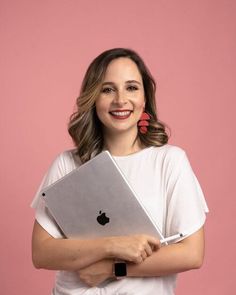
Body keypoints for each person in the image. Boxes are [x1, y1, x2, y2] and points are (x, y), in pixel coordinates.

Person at [31, 48, 208, 295]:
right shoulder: (67, 164)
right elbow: (41, 253)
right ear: (93, 98)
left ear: (145, 98)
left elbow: (191, 253)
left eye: (132, 88)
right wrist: (113, 245)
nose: (120, 100)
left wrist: (111, 267)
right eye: (108, 89)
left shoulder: (169, 161)